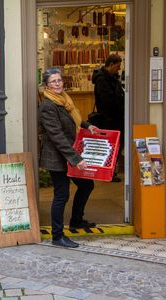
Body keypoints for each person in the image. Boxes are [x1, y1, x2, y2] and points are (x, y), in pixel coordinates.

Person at [39, 67, 98, 248]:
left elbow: (73, 118)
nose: (58, 84)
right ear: (46, 86)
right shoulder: (48, 106)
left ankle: (76, 220)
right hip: (58, 157)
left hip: (69, 153)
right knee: (61, 195)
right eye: (53, 82)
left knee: (87, 184)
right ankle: (57, 236)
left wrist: (87, 126)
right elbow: (57, 136)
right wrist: (77, 159)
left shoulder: (64, 99)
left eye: (59, 80)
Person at [92, 54, 125, 182]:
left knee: (113, 146)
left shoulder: (110, 78)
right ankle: (108, 173)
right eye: (117, 66)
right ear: (111, 65)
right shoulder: (103, 80)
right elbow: (107, 102)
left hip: (114, 119)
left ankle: (110, 172)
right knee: (112, 147)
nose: (119, 69)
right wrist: (120, 107)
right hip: (110, 120)